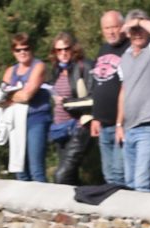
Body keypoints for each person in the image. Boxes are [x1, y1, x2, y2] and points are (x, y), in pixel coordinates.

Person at [117, 10, 150, 192]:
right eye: (134, 30)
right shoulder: (124, 57)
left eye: (141, 29)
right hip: (129, 128)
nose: (138, 33)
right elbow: (124, 91)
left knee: (142, 184)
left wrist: (138, 21)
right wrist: (119, 124)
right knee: (130, 184)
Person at [0, 33, 52, 182]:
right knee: (20, 169)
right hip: (16, 122)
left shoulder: (39, 66)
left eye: (26, 48)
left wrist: (11, 96)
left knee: (36, 168)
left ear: (31, 49)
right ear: (13, 52)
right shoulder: (11, 71)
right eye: (18, 50)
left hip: (36, 118)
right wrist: (13, 95)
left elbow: (26, 96)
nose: (22, 52)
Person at [47, 32, 93, 185]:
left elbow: (93, 99)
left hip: (79, 127)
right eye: (58, 50)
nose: (63, 53)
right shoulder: (56, 70)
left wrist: (67, 102)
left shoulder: (84, 67)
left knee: (61, 176)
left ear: (73, 48)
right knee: (71, 177)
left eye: (66, 49)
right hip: (61, 130)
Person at [90, 10, 130, 186]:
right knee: (108, 175)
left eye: (114, 27)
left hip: (121, 124)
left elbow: (127, 86)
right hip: (103, 123)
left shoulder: (129, 49)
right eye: (107, 28)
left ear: (123, 27)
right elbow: (98, 82)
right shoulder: (103, 49)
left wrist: (121, 123)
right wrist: (95, 117)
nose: (111, 32)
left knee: (119, 174)